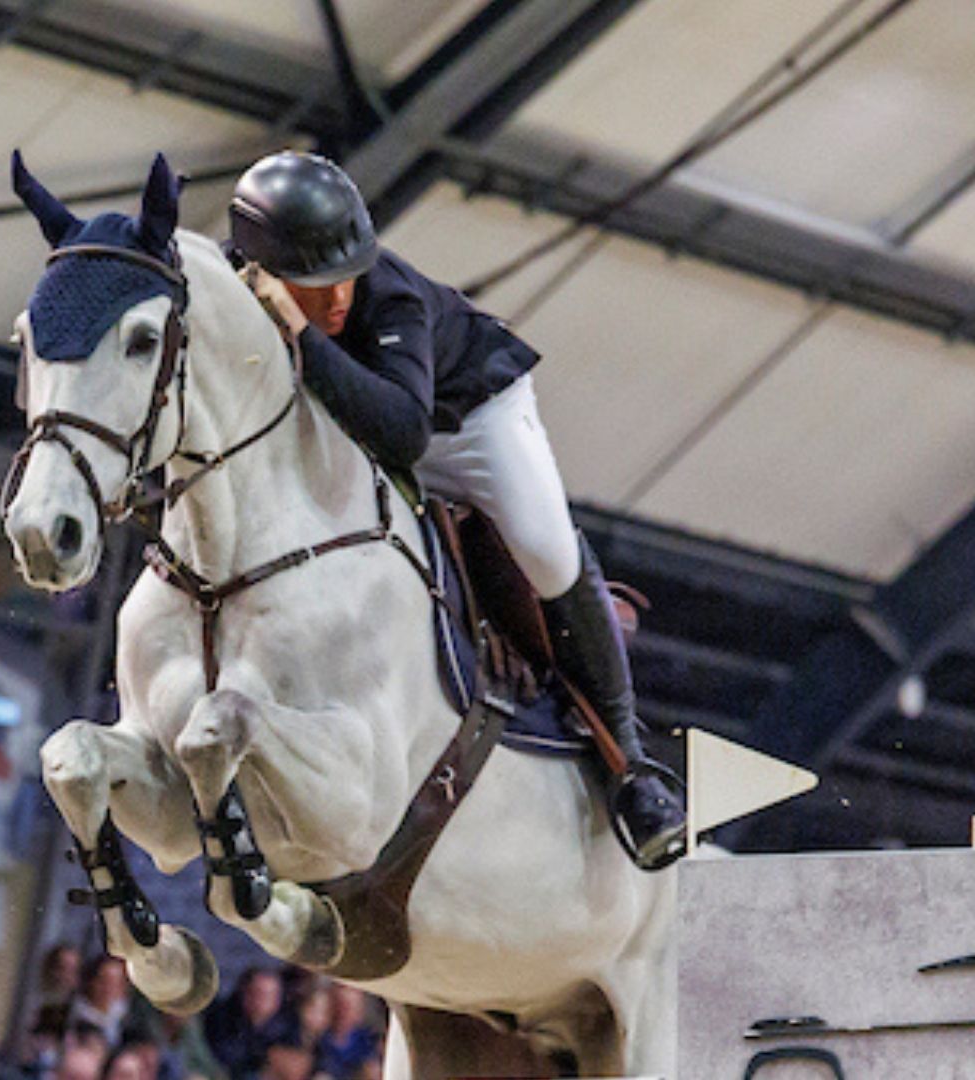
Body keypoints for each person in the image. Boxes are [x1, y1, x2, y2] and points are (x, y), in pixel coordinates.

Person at [228, 150, 687, 869]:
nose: (342, 295)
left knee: (543, 547)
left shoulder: (391, 300)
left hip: (465, 423)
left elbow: (405, 431)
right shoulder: (237, 290)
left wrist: (304, 333)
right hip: (353, 436)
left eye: (348, 272)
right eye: (317, 284)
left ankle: (631, 765)